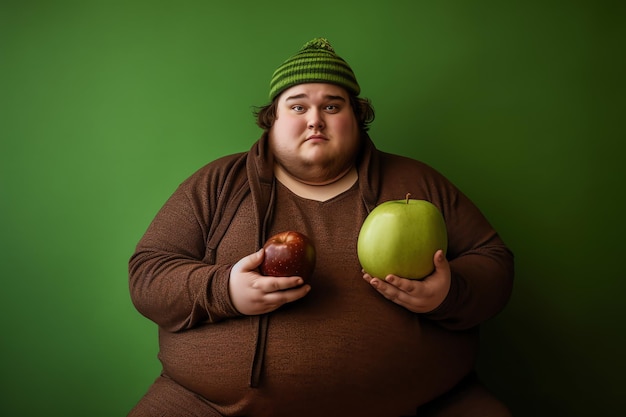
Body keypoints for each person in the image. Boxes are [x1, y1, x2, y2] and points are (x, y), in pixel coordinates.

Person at [127, 38, 514, 417]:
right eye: (297, 107)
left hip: (426, 402)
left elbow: (495, 264)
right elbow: (148, 274)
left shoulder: (419, 184)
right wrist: (226, 289)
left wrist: (448, 292)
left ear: (356, 118)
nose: (315, 119)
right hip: (206, 406)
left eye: (332, 105)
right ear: (272, 120)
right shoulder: (217, 183)